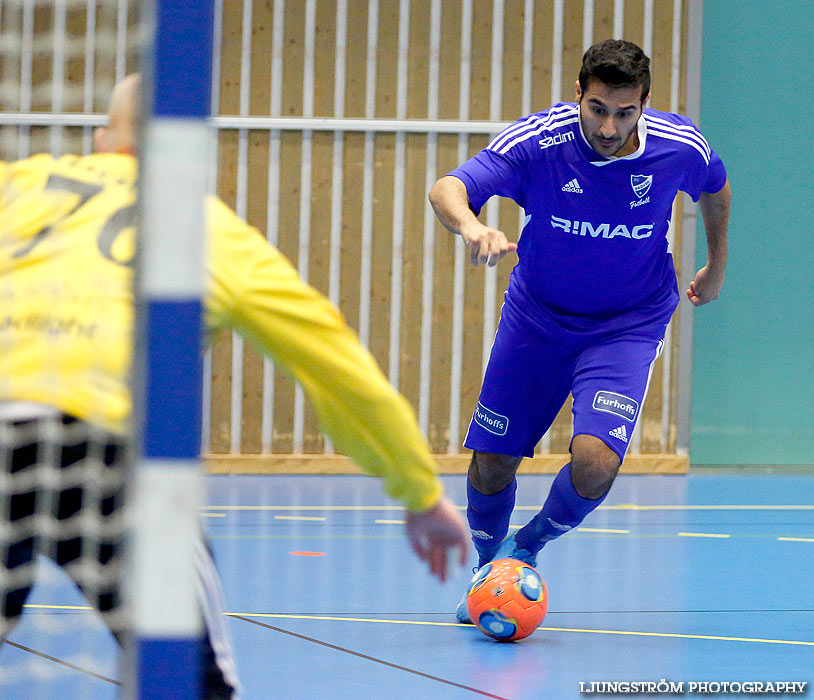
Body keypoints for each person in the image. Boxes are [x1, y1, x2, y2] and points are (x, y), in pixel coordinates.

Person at [0, 74, 468, 697]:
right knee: (196, 684)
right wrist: (419, 492)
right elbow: (341, 374)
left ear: (102, 140)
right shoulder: (214, 232)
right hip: (102, 459)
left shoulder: (20, 185)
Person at [428, 40, 730, 622]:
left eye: (624, 112)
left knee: (595, 460)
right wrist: (470, 226)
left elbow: (714, 187)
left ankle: (525, 551)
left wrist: (716, 266)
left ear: (645, 103)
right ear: (578, 96)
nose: (609, 125)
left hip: (628, 325)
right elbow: (449, 187)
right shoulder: (539, 142)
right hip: (537, 318)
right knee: (492, 461)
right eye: (596, 109)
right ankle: (489, 570)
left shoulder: (679, 146)